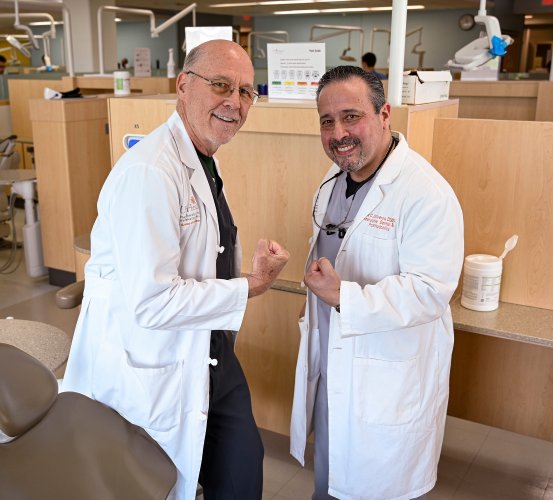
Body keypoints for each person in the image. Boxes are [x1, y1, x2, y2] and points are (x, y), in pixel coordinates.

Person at [62, 40, 290, 500]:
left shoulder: (202, 158)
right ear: (184, 86)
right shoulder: (150, 172)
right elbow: (153, 300)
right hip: (157, 362)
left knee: (243, 468)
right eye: (221, 85)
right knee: (163, 481)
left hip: (210, 352)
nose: (235, 102)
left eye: (247, 92)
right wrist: (251, 285)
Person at [290, 65, 464, 500]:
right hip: (335, 361)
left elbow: (430, 290)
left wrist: (342, 296)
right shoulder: (333, 183)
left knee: (375, 484)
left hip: (385, 378)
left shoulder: (426, 193)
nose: (338, 132)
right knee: (330, 473)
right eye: (327, 121)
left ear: (385, 114)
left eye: (352, 116)